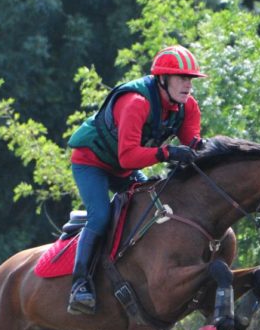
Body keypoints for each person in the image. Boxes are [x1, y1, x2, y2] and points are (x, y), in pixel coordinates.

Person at [65, 44, 206, 314]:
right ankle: (79, 285)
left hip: (122, 167)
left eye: (191, 79)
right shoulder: (136, 102)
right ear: (162, 79)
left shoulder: (188, 107)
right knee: (100, 217)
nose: (188, 85)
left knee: (155, 209)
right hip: (91, 162)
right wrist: (167, 152)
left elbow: (195, 147)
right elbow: (128, 157)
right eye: (182, 78)